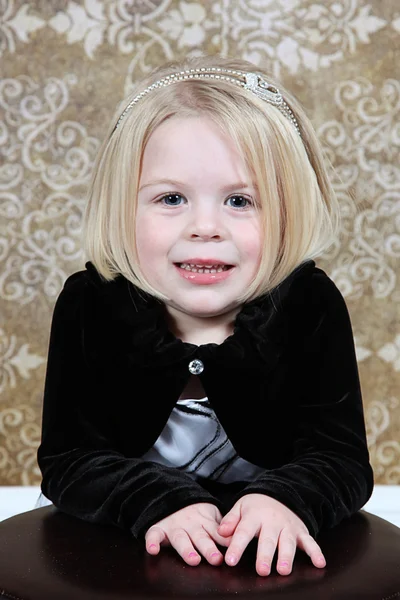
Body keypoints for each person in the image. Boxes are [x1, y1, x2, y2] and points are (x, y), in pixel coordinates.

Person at [36, 55, 374, 577]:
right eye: (171, 198)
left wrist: (284, 499)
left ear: (287, 212)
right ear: (122, 207)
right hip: (123, 549)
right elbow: (69, 460)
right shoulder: (90, 304)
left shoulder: (309, 305)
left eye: (240, 201)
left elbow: (341, 458)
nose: (205, 227)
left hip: (258, 553)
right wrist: (158, 500)